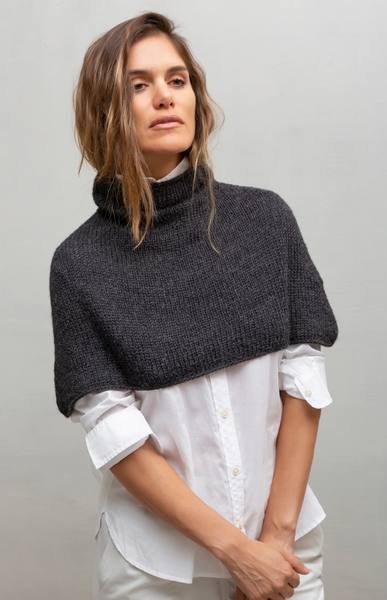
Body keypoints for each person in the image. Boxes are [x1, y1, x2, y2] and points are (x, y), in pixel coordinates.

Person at [49, 11, 338, 600]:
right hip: (156, 568)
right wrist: (236, 552)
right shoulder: (79, 264)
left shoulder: (264, 220)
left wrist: (274, 540)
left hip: (286, 550)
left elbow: (302, 378)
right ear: (105, 110)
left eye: (177, 80)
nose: (164, 96)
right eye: (139, 85)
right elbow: (115, 433)